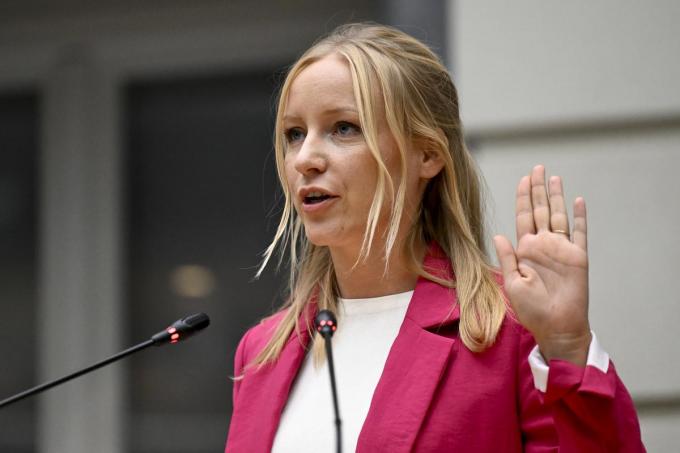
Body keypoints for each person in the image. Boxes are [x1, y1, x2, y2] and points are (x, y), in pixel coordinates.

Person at [225, 23, 645, 452]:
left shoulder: (509, 331)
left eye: (344, 128)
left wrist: (567, 348)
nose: (306, 159)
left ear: (427, 153)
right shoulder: (260, 354)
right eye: (295, 133)